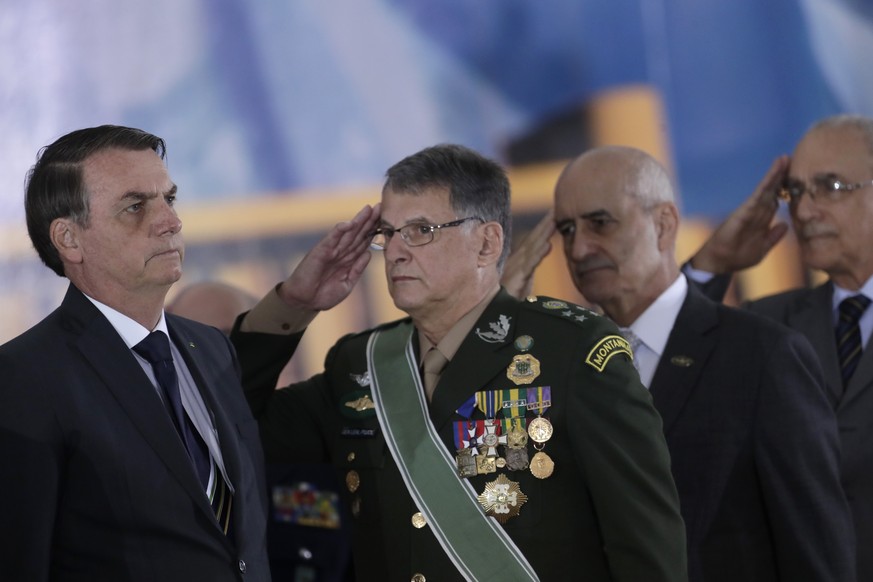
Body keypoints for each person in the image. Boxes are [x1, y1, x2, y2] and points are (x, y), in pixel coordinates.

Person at [232, 143, 688, 581]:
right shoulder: (359, 364)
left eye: (421, 231)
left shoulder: (573, 352)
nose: (395, 251)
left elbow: (645, 548)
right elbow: (229, 425)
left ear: (487, 244)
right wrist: (294, 303)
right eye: (387, 234)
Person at [0, 124, 378, 582]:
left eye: (170, 199)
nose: (170, 221)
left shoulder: (211, 348)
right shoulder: (24, 377)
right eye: (135, 206)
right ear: (69, 239)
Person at [511, 145, 854, 581]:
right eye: (567, 229)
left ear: (663, 224)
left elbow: (816, 550)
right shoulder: (551, 366)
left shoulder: (761, 357)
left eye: (600, 223)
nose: (579, 249)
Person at [688, 114, 873, 580]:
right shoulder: (762, 324)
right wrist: (713, 264)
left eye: (829, 187)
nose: (804, 212)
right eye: (795, 192)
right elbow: (664, 366)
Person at [168, 281, 355, 582]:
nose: (202, 357)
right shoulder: (141, 455)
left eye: (224, 341)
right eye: (184, 340)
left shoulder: (316, 454)